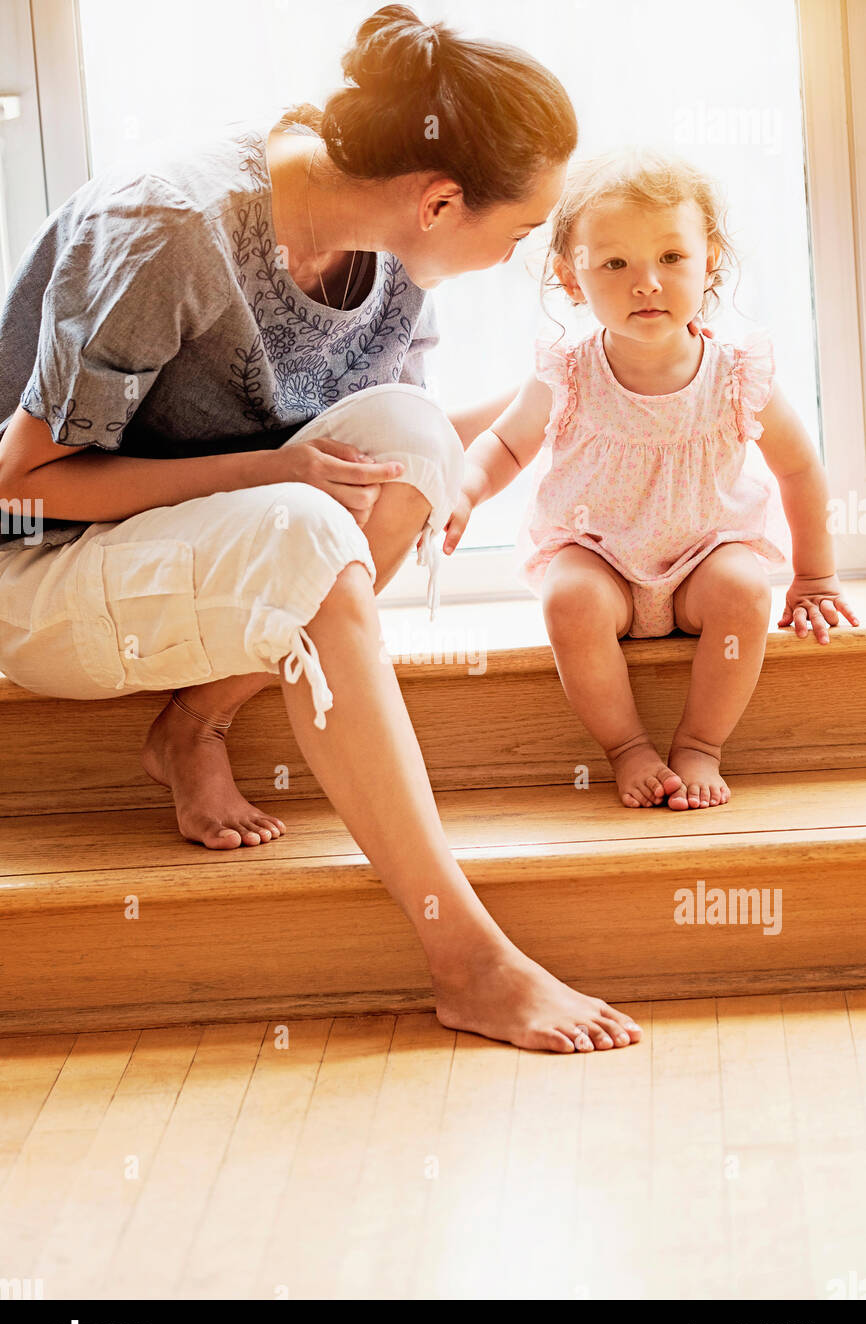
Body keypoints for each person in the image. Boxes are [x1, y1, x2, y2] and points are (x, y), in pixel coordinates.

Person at [0, 6, 643, 1055]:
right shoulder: (168, 228)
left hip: (210, 548)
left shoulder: (389, 258)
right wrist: (270, 469)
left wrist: (579, 387)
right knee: (306, 518)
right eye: (522, 230)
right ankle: (467, 959)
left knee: (413, 437)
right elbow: (21, 483)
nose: (527, 257)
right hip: (39, 572)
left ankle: (192, 724)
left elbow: (387, 451)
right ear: (438, 201)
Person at [442, 147, 860, 811]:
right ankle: (627, 746)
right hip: (599, 557)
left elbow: (799, 467)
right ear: (571, 277)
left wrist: (815, 576)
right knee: (567, 598)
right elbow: (505, 445)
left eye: (671, 258)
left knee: (746, 591)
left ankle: (699, 743)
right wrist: (464, 489)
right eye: (615, 263)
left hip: (703, 560)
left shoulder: (736, 372)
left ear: (709, 259)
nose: (647, 283)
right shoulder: (566, 371)